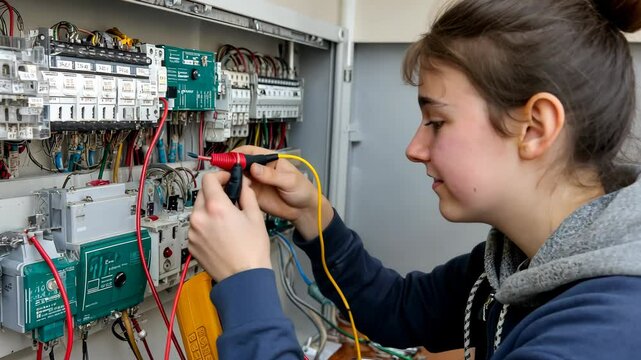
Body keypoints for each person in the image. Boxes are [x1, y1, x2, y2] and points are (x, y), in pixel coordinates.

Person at [187, 0, 641, 359]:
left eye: (436, 122)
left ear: (535, 127)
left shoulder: (602, 332)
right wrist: (313, 215)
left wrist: (244, 282)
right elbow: (398, 309)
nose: (414, 148)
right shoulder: (517, 264)